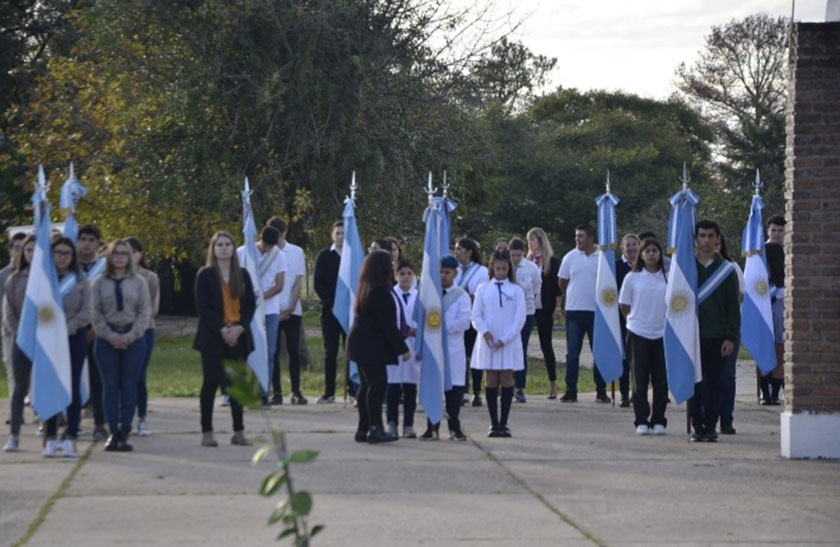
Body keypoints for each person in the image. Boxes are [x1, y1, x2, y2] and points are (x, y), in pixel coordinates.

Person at [193, 231, 256, 447]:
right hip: (213, 337)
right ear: (213, 248)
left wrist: (239, 328)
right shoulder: (205, 274)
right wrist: (222, 329)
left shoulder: (243, 274)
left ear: (233, 248)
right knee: (210, 383)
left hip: (238, 337)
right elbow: (203, 307)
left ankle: (239, 432)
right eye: (219, 244)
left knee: (237, 386)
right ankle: (207, 431)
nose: (224, 248)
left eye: (228, 244)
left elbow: (250, 306)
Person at [92, 239, 151, 451]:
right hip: (107, 340)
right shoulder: (99, 283)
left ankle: (125, 431)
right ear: (109, 256)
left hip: (133, 340)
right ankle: (112, 432)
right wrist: (110, 336)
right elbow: (95, 313)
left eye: (123, 254)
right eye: (115, 253)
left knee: (128, 385)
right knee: (109, 386)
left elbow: (144, 312)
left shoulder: (138, 282)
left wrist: (130, 336)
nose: (119, 257)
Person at [346, 250, 409, 444]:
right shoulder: (380, 291)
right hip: (370, 345)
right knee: (377, 384)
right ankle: (375, 427)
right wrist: (402, 348)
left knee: (367, 385)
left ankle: (363, 428)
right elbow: (387, 325)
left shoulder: (367, 287)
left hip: (362, 343)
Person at [689, 220, 740, 443]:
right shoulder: (688, 267)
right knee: (695, 383)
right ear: (696, 239)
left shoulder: (727, 270)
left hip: (718, 336)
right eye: (702, 235)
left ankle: (710, 425)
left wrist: (730, 336)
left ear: (718, 238)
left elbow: (733, 307)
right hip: (692, 336)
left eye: (711, 236)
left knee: (716, 383)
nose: (706, 240)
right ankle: (696, 424)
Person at [42, 237, 92, 457]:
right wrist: (52, 329)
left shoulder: (80, 280)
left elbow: (87, 312)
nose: (62, 257)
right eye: (58, 252)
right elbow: (39, 309)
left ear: (72, 257)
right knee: (51, 387)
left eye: (66, 253)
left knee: (71, 387)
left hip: (74, 338)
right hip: (49, 339)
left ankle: (71, 436)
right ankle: (50, 437)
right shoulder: (45, 280)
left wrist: (67, 328)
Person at [470, 250, 526, 437]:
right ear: (492, 267)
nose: (501, 272)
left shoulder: (516, 290)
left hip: (508, 342)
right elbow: (476, 314)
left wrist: (506, 339)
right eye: (498, 268)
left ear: (509, 268)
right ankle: (494, 423)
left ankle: (504, 423)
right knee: (491, 378)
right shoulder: (483, 289)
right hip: (488, 341)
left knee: (507, 378)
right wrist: (485, 332)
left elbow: (520, 318)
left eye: (504, 268)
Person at [619, 238, 668, 435]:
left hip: (662, 334)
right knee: (639, 380)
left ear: (660, 253)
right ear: (641, 254)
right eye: (647, 251)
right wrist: (636, 321)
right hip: (637, 332)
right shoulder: (632, 277)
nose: (651, 254)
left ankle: (659, 420)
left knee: (661, 380)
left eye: (655, 250)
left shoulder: (668, 277)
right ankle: (641, 419)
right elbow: (624, 305)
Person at [420, 255, 472, 440]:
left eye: (447, 272)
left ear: (455, 273)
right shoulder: (431, 295)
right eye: (441, 272)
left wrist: (442, 328)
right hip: (434, 349)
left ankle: (454, 427)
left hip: (453, 349)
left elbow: (465, 322)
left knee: (454, 392)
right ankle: (432, 427)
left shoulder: (461, 296)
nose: (443, 275)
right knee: (434, 388)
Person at [555, 224, 609, 403]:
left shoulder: (602, 256)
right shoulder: (569, 257)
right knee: (572, 353)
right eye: (576, 236)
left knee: (599, 353)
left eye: (581, 236)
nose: (577, 239)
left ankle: (601, 390)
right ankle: (571, 390)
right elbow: (562, 282)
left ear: (591, 238)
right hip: (574, 311)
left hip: (597, 312)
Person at [237, 226, 286, 407]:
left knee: (269, 353)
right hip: (247, 311)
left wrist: (261, 298)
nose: (266, 249)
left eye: (269, 247)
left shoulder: (278, 255)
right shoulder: (243, 252)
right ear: (259, 238)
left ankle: (264, 391)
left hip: (270, 310)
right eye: (264, 245)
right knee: (246, 350)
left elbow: (280, 285)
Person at [266, 217, 307, 405]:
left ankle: (296, 391)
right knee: (272, 351)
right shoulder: (266, 252)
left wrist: (290, 307)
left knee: (293, 350)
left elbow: (297, 282)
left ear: (284, 233)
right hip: (272, 309)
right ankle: (277, 392)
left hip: (292, 309)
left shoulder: (296, 252)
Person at [3, 234, 35, 452]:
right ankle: (14, 433)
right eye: (28, 250)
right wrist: (22, 331)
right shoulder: (14, 279)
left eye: (36, 250)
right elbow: (10, 312)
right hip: (21, 338)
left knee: (44, 383)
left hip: (45, 340)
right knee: (19, 387)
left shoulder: (52, 279)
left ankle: (49, 427)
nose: (32, 254)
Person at [125, 237, 160, 436]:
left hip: (144, 330)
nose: (130, 256)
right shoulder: (116, 277)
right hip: (120, 332)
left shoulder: (150, 277)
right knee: (123, 377)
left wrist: (136, 323)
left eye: (134, 252)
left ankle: (142, 419)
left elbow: (153, 308)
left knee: (139, 376)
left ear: (141, 254)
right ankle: (124, 417)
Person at [77, 224, 109, 441]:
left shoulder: (105, 267)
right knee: (71, 378)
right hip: (73, 330)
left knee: (98, 380)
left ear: (98, 243)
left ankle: (100, 423)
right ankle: (70, 422)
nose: (86, 243)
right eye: (83, 239)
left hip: (98, 331)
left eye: (91, 239)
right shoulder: (69, 267)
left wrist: (95, 328)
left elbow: (107, 302)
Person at [526, 227, 561, 399]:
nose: (530, 244)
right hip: (528, 308)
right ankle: (519, 385)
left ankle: (553, 383)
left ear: (540, 240)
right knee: (521, 344)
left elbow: (557, 287)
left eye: (532, 240)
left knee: (545, 344)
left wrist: (558, 306)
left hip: (545, 308)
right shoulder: (527, 261)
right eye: (528, 241)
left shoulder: (552, 261)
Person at [453, 238, 488, 407]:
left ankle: (477, 392)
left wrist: (465, 298)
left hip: (473, 318)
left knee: (474, 355)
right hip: (457, 318)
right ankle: (462, 390)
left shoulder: (481, 271)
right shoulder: (454, 270)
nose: (456, 252)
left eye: (459, 249)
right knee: (460, 356)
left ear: (469, 252)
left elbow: (480, 296)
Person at [386, 259, 418, 438]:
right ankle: (392, 423)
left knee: (410, 387)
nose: (406, 277)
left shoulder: (419, 296)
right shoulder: (391, 295)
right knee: (393, 386)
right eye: (402, 274)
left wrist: (416, 331)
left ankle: (408, 424)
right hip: (395, 346)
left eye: (409, 274)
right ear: (396, 276)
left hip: (413, 346)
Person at [313, 221, 345, 403]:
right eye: (338, 233)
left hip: (349, 312)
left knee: (351, 350)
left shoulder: (352, 255)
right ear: (332, 235)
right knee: (330, 351)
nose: (341, 236)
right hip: (330, 311)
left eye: (343, 233)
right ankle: (329, 392)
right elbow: (318, 284)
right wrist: (332, 303)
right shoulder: (325, 256)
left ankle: (353, 389)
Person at [717, 233, 744, 436]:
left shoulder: (731, 267)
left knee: (727, 377)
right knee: (706, 379)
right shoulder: (695, 268)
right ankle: (705, 419)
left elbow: (740, 297)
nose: (711, 244)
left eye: (716, 241)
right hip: (704, 331)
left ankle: (727, 420)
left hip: (728, 330)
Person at [509, 238, 541, 403]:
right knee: (507, 348)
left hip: (526, 313)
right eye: (512, 255)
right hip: (507, 314)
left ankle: (519, 387)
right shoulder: (504, 266)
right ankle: (506, 385)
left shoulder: (531, 268)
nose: (515, 258)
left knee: (521, 348)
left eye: (518, 255)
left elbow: (536, 288)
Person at [614, 234, 639, 407]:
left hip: (642, 319)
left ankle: (637, 392)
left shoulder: (646, 266)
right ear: (623, 248)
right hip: (622, 319)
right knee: (624, 358)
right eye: (627, 246)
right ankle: (624, 393)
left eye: (634, 245)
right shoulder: (616, 266)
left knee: (639, 359)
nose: (631, 248)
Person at [763, 215, 785, 406]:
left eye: (781, 230)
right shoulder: (760, 251)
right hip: (764, 303)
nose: (777, 234)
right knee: (763, 348)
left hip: (782, 303)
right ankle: (764, 392)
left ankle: (775, 393)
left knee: (780, 348)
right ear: (768, 231)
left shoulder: (789, 251)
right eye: (774, 230)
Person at [1, 232, 26, 398]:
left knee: (30, 372)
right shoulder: (3, 275)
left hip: (31, 330)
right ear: (10, 251)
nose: (19, 252)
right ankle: (16, 408)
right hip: (10, 330)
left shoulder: (34, 273)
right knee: (12, 369)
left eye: (23, 248)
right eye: (16, 248)